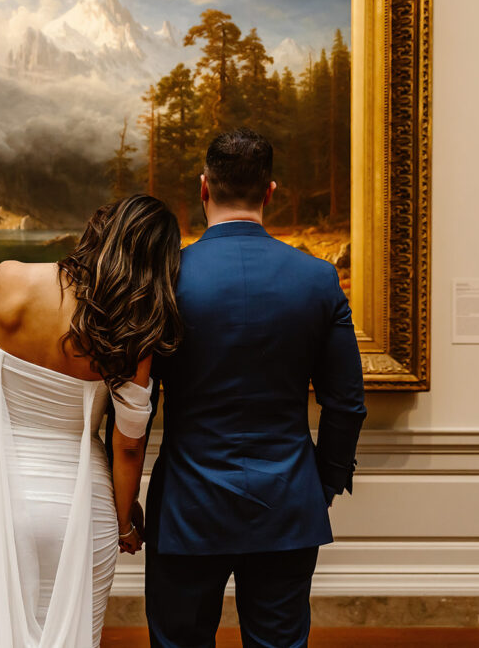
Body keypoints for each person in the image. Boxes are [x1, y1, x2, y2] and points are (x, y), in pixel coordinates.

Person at [139, 128, 367, 648]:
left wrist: (123, 491)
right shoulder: (317, 279)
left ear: (204, 189)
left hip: (186, 503)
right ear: (270, 192)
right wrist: (323, 483)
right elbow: (346, 404)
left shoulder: (166, 276)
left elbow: (138, 401)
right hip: (287, 500)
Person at [0, 195, 182, 647]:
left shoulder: (8, 278)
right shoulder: (133, 330)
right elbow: (128, 446)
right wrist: (124, 521)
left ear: (97, 228)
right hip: (80, 505)